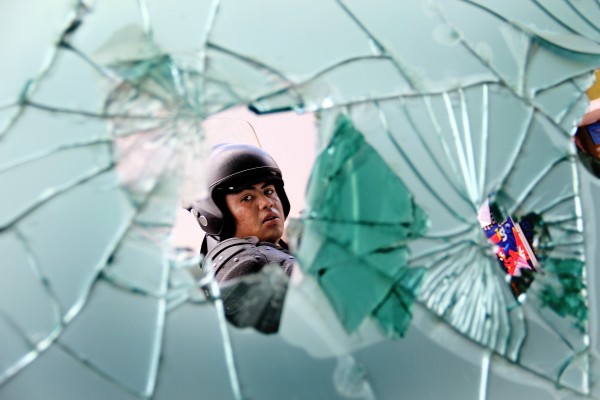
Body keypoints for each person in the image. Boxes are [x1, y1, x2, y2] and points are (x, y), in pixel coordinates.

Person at [189, 143, 295, 333]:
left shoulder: (285, 247)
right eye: (247, 197)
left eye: (268, 191)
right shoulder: (242, 260)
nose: (266, 203)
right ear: (216, 215)